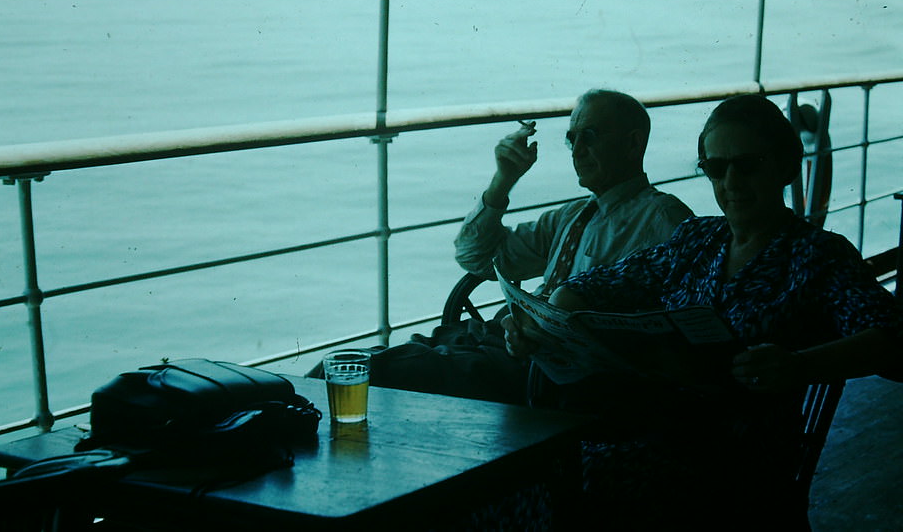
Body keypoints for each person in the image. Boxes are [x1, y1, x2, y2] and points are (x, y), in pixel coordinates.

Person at [503, 93, 903, 527]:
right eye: (716, 167)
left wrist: (799, 366)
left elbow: (895, 340)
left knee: (552, 494)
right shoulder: (696, 239)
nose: (730, 181)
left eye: (746, 164)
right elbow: (598, 285)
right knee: (523, 481)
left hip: (737, 464)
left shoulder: (819, 255)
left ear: (785, 166)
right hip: (653, 431)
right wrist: (544, 325)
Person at [310, 89, 693, 405]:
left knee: (375, 371)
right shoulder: (574, 215)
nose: (576, 150)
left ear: (632, 144)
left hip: (543, 373)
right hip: (497, 340)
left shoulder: (663, 219)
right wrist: (503, 181)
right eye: (571, 138)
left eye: (589, 136)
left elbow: (674, 325)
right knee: (360, 361)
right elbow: (476, 258)